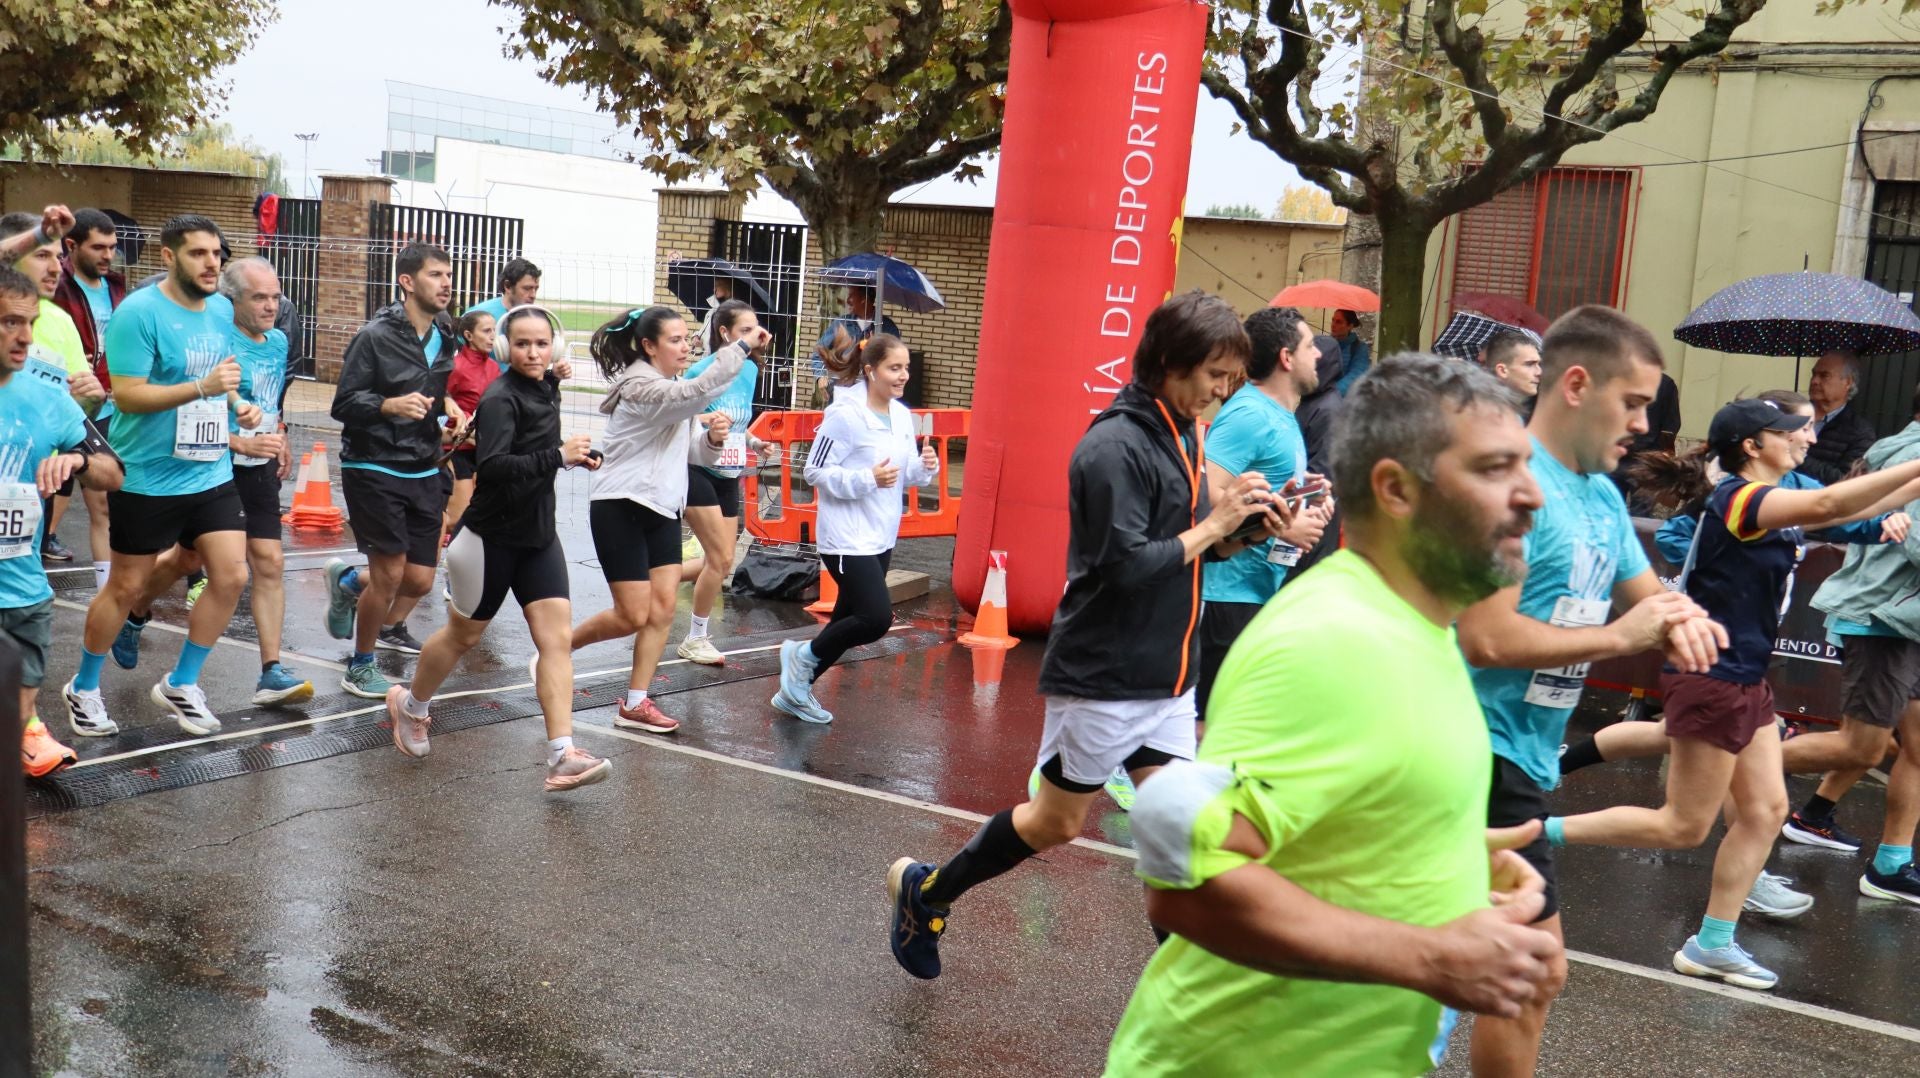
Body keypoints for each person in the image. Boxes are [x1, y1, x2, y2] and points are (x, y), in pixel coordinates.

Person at [1103, 354, 1561, 1076]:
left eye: (1526, 466)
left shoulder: (1420, 626)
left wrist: (1443, 859)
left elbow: (1333, 826)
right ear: (1397, 491)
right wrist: (1433, 956)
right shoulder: (1335, 639)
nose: (1533, 495)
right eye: (1496, 468)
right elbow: (1189, 886)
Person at [883, 291, 1285, 980]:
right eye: (1214, 374)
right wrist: (1213, 528)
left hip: (1167, 676)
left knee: (1179, 833)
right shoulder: (1113, 446)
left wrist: (1243, 530)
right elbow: (1124, 567)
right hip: (1104, 678)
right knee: (1056, 824)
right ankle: (927, 890)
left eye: (1230, 376)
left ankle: (1188, 996)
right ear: (1168, 360)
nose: (1224, 391)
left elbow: (1182, 549)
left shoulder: (1181, 432)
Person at [1543, 397, 1920, 990]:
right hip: (1713, 677)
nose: (1807, 437)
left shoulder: (1775, 501)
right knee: (1683, 827)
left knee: (1767, 811)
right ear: (1753, 445)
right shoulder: (1740, 499)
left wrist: (1904, 489)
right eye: (1794, 431)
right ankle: (1528, 834)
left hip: (1746, 679)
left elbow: (1857, 506)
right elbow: (1828, 502)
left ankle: (1712, 943)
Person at [1453, 305, 1728, 1075]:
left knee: (1516, 973)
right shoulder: (1510, 480)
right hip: (1470, 752)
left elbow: (1647, 597)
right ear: (1576, 384)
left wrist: (1682, 618)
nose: (1643, 423)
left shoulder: (1601, 496)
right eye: (1633, 402)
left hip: (1526, 761)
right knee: (1527, 972)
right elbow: (1487, 637)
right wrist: (1622, 637)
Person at [386, 306, 613, 791]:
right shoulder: (500, 397)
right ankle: (411, 706)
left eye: (542, 343)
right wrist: (557, 456)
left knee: (555, 642)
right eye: (524, 344)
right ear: (508, 347)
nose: (534, 352)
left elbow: (537, 443)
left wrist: (574, 456)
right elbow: (492, 467)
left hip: (537, 539)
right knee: (460, 637)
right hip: (489, 542)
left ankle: (561, 754)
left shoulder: (542, 387)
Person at [61, 215, 261, 738]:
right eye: (198, 254)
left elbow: (223, 374)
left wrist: (238, 403)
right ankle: (83, 687)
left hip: (209, 469)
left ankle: (182, 681)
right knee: (125, 587)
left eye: (216, 253)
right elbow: (127, 394)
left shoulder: (220, 310)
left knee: (232, 574)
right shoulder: (139, 313)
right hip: (147, 476)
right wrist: (202, 387)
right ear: (169, 258)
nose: (212, 263)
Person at [105, 259, 313, 708]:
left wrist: (281, 438)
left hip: (256, 467)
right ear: (229, 300)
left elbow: (270, 396)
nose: (271, 306)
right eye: (259, 298)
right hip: (208, 465)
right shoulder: (215, 340)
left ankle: (271, 671)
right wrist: (237, 439)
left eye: (276, 297)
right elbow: (191, 409)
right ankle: (137, 608)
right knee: (186, 559)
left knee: (268, 561)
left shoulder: (278, 341)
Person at [565, 306, 769, 734]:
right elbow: (692, 396)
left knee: (659, 612)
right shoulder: (640, 385)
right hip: (621, 505)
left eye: (684, 339)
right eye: (674, 340)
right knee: (632, 615)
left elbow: (691, 450)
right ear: (648, 346)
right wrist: (741, 348)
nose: (684, 346)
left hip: (663, 508)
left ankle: (636, 703)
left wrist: (712, 440)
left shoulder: (672, 385)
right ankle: (558, 647)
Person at [771, 334, 939, 724]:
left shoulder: (900, 414)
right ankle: (800, 657)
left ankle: (795, 693)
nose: (903, 376)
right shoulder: (845, 416)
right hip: (846, 537)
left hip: (880, 534)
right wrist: (866, 479)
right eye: (894, 368)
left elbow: (903, 474)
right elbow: (814, 471)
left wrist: (924, 466)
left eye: (906, 368)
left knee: (846, 620)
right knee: (875, 618)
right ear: (870, 370)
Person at [0, 267, 124, 776]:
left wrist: (75, 461)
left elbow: (112, 472)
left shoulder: (48, 397)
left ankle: (27, 731)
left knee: (24, 687)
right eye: (9, 322)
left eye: (29, 322)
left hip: (22, 586)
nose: (25, 336)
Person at [324, 244, 459, 698]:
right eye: (436, 275)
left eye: (448, 275)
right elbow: (343, 403)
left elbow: (434, 393)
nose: (446, 283)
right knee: (389, 574)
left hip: (423, 464)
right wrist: (387, 404)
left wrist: (449, 409)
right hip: (373, 463)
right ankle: (360, 665)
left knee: (419, 579)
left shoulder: (445, 331)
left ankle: (347, 582)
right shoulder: (375, 336)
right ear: (407, 281)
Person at [1195, 306, 1331, 720]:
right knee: (1208, 724)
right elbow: (1208, 497)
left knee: (1226, 720)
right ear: (1286, 358)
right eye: (1310, 346)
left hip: (1255, 587)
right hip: (1224, 592)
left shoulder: (1283, 415)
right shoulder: (1249, 414)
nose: (1320, 355)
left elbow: (1265, 488)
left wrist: (1308, 496)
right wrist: (1284, 528)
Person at [0, 211, 101, 565]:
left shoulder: (59, 320)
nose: (57, 268)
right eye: (43, 255)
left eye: (59, 257)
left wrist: (89, 399)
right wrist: (38, 234)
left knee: (21, 580)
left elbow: (74, 412)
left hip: (31, 482)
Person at [675, 299, 770, 666]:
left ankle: (657, 581)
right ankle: (696, 637)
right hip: (696, 467)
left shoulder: (748, 371)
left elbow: (738, 422)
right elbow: (678, 413)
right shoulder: (701, 369)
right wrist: (706, 421)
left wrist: (752, 442)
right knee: (720, 557)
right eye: (744, 331)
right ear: (725, 333)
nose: (751, 336)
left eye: (754, 329)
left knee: (722, 561)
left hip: (729, 471)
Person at [51, 208, 127, 590]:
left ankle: (106, 595)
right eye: (99, 247)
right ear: (71, 245)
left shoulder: (116, 287)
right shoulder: (56, 285)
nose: (108, 255)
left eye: (112, 247)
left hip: (112, 406)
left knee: (106, 506)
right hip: (69, 404)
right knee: (50, 496)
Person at [1285, 332, 1346, 583]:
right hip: (1306, 515)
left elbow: (1322, 474)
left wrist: (1293, 506)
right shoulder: (1314, 402)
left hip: (1314, 517)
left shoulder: (1328, 410)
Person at [442, 308, 500, 543]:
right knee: (457, 519)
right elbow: (437, 404)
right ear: (468, 335)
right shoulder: (455, 367)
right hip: (458, 452)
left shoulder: (494, 368)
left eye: (494, 331)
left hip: (485, 451)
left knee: (482, 518)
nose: (492, 337)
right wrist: (459, 425)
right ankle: (419, 536)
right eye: (486, 331)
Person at [812, 284, 900, 406]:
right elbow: (819, 352)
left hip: (874, 398)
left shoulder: (887, 327)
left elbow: (896, 361)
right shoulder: (841, 323)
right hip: (843, 396)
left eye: (851, 296)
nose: (847, 300)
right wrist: (820, 376)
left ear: (864, 299)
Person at [1801, 349, 1875, 483]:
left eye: (1824, 375)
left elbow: (1845, 480)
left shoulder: (1860, 432)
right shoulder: (1793, 414)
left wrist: (1799, 458)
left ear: (1848, 382)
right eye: (1814, 374)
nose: (1815, 381)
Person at [464, 257, 540, 367]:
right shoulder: (477, 315)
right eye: (527, 288)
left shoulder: (535, 319)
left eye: (536, 289)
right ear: (508, 286)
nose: (533, 295)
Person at [1479, 330, 1543, 414]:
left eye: (1539, 364)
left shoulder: (1544, 409)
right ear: (1502, 371)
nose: (1539, 372)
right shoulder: (1478, 411)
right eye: (1529, 364)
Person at [1330, 307, 1371, 396]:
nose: (1333, 324)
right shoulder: (1326, 344)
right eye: (1333, 320)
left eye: (1339, 322)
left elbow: (1356, 375)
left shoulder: (1359, 348)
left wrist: (1331, 394)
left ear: (1350, 326)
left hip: (1344, 403)